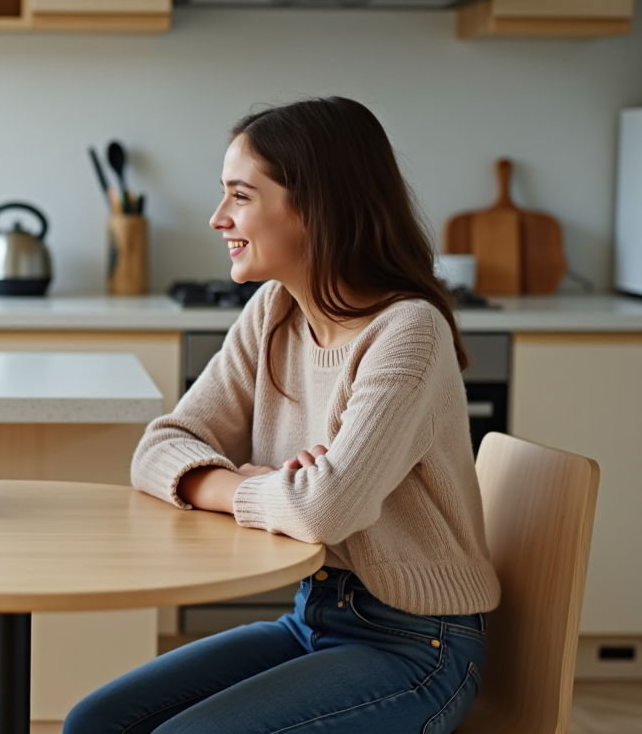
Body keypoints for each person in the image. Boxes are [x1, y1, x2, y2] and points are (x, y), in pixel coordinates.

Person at [65, 97, 500, 734]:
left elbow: (325, 510)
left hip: (418, 646)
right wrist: (261, 486)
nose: (218, 219)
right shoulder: (275, 312)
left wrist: (260, 488)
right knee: (94, 722)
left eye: (241, 196)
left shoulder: (408, 331)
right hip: (312, 617)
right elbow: (160, 447)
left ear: (314, 207)